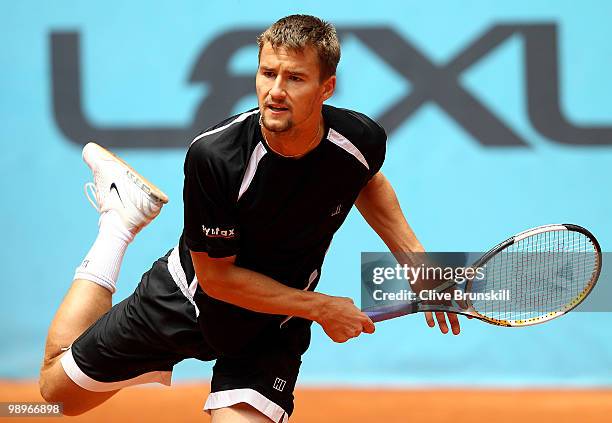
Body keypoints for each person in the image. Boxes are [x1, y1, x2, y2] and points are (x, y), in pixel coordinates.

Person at [39, 14, 463, 422]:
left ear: (326, 87)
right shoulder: (216, 157)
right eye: (267, 74)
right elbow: (217, 279)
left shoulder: (359, 139)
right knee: (58, 396)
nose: (275, 91)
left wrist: (414, 258)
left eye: (294, 78)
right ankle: (119, 221)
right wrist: (321, 308)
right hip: (190, 300)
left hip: (273, 324)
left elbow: (367, 179)